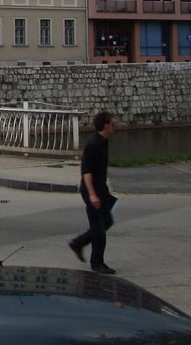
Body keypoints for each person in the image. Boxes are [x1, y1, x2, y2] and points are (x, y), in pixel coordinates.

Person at [69, 110, 117, 274]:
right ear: (105, 126)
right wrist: (92, 195)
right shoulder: (93, 144)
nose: (114, 126)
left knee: (107, 222)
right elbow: (86, 172)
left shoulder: (104, 141)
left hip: (101, 190)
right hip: (92, 191)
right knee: (99, 228)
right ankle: (97, 262)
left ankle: (78, 242)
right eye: (112, 124)